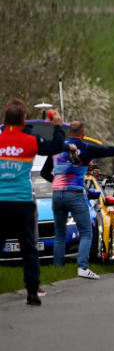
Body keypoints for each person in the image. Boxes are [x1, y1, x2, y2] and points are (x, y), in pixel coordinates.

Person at [51, 121, 114, 279]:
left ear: (70, 133)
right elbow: (112, 151)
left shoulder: (57, 149)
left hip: (57, 194)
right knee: (86, 232)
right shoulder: (86, 148)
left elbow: (43, 172)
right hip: (75, 194)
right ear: (82, 134)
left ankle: (57, 270)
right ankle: (83, 267)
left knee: (60, 233)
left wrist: (57, 183)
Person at [0, 100, 66, 305]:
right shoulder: (30, 140)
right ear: (23, 121)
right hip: (22, 202)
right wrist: (57, 126)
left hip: (1, 201)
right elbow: (56, 147)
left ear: (4, 120)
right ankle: (32, 293)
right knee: (29, 248)